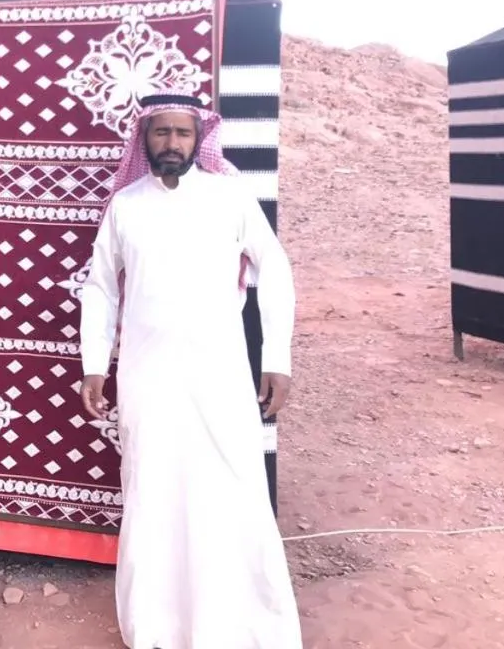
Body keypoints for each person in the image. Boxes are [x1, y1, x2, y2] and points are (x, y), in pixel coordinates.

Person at [77, 93, 302, 649]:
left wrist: (277, 358)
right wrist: (93, 365)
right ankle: (158, 626)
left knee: (229, 488)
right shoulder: (126, 205)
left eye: (182, 132)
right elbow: (101, 288)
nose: (172, 143)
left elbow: (274, 268)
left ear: (199, 137)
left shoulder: (229, 196)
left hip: (219, 374)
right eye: (161, 133)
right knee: (154, 489)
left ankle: (242, 626)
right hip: (146, 374)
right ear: (144, 139)